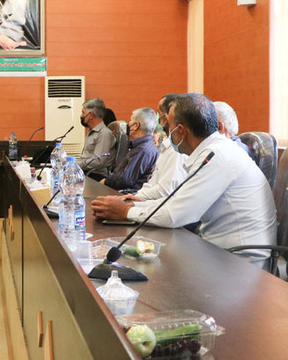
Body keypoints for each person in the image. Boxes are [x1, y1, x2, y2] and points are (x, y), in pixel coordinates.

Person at [91, 93, 277, 267]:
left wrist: (126, 212)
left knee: (150, 267)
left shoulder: (217, 156)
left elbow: (176, 215)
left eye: (170, 128)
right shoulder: (213, 150)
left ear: (181, 130)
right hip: (218, 251)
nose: (167, 133)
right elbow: (177, 200)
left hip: (240, 262)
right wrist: (134, 205)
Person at [134, 94, 187, 200]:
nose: (157, 117)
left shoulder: (177, 150)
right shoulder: (166, 146)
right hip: (148, 202)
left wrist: (134, 200)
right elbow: (152, 183)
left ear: (166, 118)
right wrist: (133, 198)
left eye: (159, 112)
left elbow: (165, 191)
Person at [103, 107, 159, 192]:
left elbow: (125, 180)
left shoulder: (142, 150)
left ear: (136, 126)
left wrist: (105, 181)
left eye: (130, 120)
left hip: (127, 193)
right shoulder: (144, 146)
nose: (128, 124)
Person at [77, 98, 116, 180]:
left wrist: (77, 164)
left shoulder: (104, 134)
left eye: (83, 112)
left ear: (91, 115)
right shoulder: (92, 131)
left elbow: (98, 161)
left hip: (95, 176)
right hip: (86, 172)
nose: (81, 116)